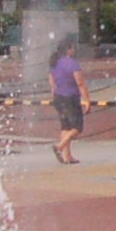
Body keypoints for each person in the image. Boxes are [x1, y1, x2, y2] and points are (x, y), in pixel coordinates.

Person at [49, 36, 86, 164]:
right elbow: (80, 83)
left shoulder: (55, 63)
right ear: (68, 49)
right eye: (72, 47)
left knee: (65, 127)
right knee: (77, 127)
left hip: (58, 98)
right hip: (71, 97)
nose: (74, 50)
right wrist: (86, 99)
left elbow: (52, 83)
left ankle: (67, 156)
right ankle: (59, 146)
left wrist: (54, 96)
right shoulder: (72, 63)